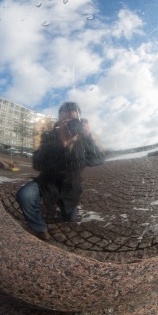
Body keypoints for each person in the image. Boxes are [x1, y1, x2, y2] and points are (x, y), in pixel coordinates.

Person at [16, 102, 104, 240]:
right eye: (66, 120)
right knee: (25, 194)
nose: (70, 124)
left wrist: (88, 137)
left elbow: (97, 160)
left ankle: (62, 207)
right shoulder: (49, 136)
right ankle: (40, 227)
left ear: (80, 122)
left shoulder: (83, 141)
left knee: (70, 218)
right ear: (59, 121)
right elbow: (37, 164)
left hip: (70, 188)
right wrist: (61, 144)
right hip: (47, 184)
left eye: (73, 120)